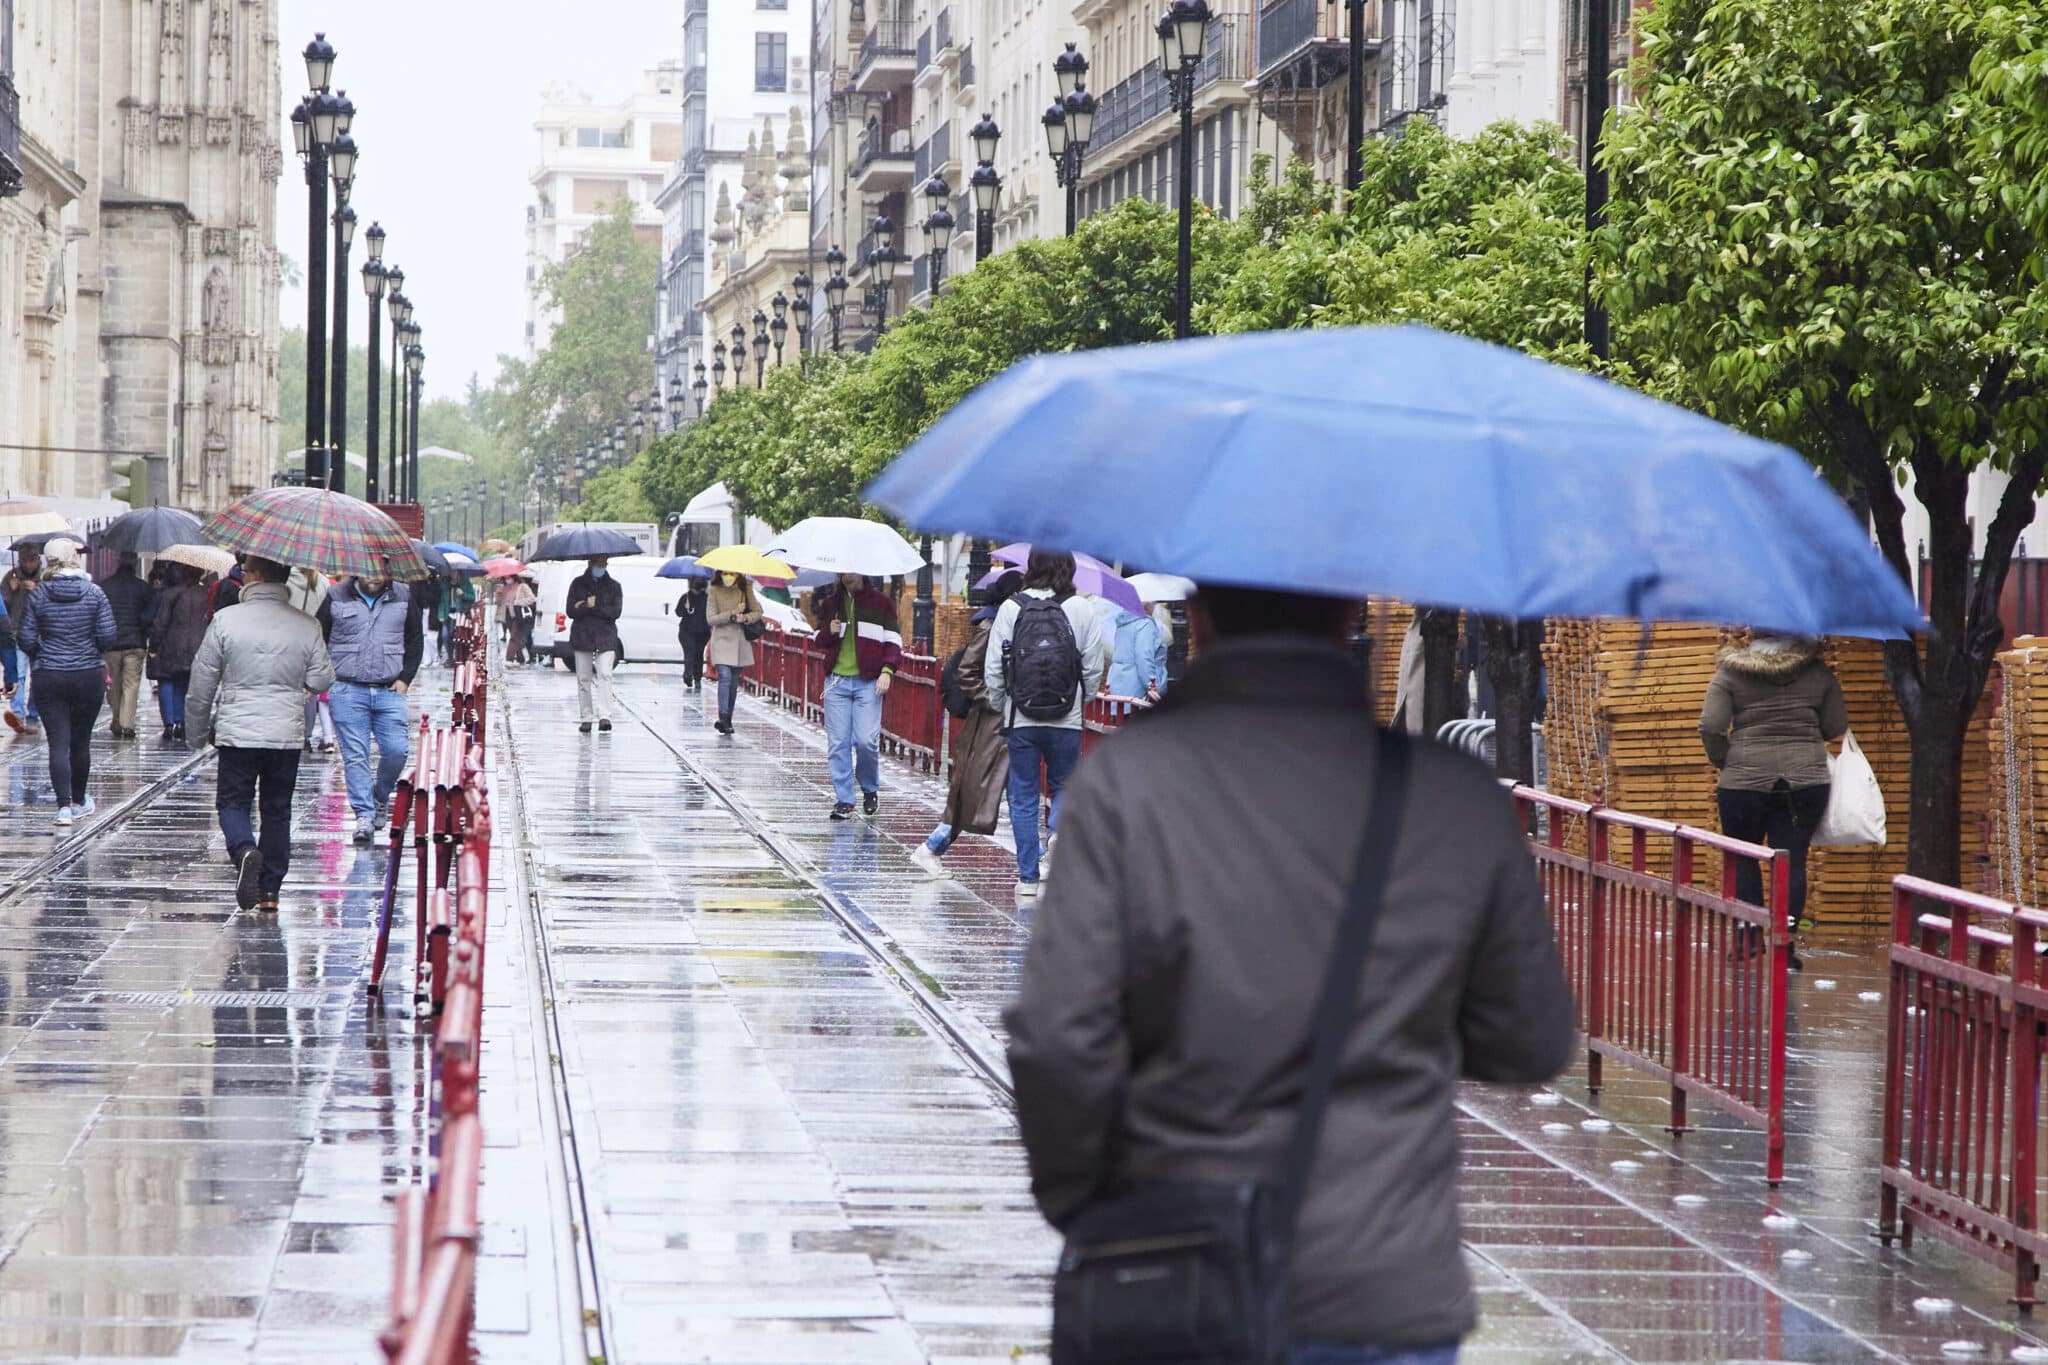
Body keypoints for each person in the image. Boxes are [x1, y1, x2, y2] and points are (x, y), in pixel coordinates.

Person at [1004, 584, 1577, 1364]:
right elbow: (1531, 1038)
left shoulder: (1129, 785)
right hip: (1381, 1283)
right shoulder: (1453, 798)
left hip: (1178, 1269)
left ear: (1200, 617)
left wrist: (1090, 1205)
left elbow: (1058, 1038)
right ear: (1348, 614)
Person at [186, 556, 337, 911]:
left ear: (255, 577)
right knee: (277, 809)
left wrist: (195, 732)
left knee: (232, 802)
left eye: (246, 572)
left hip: (238, 731)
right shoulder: (306, 624)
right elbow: (322, 679)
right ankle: (269, 891)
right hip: (285, 732)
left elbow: (202, 682)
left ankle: (244, 850)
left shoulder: (225, 620)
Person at [1699, 634, 1847, 970]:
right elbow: (1835, 725)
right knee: (1793, 861)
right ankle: (1786, 942)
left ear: (1753, 634)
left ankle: (1749, 937)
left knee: (1744, 856)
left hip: (1743, 783)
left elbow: (1710, 726)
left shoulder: (1731, 673)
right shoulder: (1818, 673)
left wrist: (1726, 760)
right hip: (1805, 781)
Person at [983, 550, 1108, 896]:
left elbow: (994, 668)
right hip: (1066, 718)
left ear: (1031, 568)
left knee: (1023, 795)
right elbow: (1093, 667)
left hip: (1021, 717)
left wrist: (1003, 705)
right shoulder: (1082, 609)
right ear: (1068, 568)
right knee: (1065, 786)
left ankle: (1027, 877)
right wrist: (1080, 703)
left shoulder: (1011, 607)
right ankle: (1056, 831)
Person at [911, 571, 1021, 877]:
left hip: (1003, 721)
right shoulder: (994, 626)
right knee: (982, 791)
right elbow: (968, 671)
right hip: (992, 723)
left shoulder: (1007, 623)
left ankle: (933, 846)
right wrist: (993, 699)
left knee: (998, 790)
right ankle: (932, 846)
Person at [318, 568, 423, 845]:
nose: (374, 578)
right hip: (347, 688)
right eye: (368, 572)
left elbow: (415, 639)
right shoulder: (335, 595)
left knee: (397, 751)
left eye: (380, 573)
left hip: (389, 689)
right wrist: (325, 676)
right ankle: (364, 815)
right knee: (355, 756)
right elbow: (319, 637)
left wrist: (405, 678)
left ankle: (379, 794)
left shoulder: (403, 595)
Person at [17, 541, 115, 825]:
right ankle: (78, 800)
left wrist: (44, 654)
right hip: (87, 675)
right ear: (74, 559)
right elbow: (108, 638)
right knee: (81, 740)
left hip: (50, 675)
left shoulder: (39, 595)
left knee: (57, 741)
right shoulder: (95, 593)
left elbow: (25, 637)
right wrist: (88, 651)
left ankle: (62, 808)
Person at [808, 572, 903, 820]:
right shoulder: (831, 604)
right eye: (841, 571)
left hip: (868, 682)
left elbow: (894, 642)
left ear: (861, 570)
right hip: (837, 682)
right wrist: (829, 630)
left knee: (866, 741)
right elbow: (818, 640)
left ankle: (870, 788)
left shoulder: (882, 604)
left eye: (849, 569)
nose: (844, 575)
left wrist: (887, 671)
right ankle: (845, 800)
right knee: (838, 743)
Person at [147, 563, 209, 741]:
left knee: (167, 680)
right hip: (198, 645)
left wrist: (154, 646)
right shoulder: (205, 594)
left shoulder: (171, 593)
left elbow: (161, 623)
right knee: (188, 684)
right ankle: (183, 721)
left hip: (172, 644)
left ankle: (169, 723)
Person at [98, 552, 155, 739]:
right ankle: (127, 723)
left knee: (114, 685)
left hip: (112, 644)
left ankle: (116, 719)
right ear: (135, 565)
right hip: (135, 643)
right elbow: (149, 616)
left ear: (118, 563)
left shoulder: (105, 587)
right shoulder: (144, 588)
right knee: (131, 685)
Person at [566, 555, 624, 734]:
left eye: (604, 564)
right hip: (582, 636)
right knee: (583, 678)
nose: (602, 567)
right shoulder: (577, 584)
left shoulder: (614, 586)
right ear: (590, 564)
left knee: (605, 674)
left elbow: (615, 612)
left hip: (605, 636)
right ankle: (586, 717)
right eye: (599, 564)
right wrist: (585, 606)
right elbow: (570, 610)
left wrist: (594, 607)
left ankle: (605, 716)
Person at [706, 570, 763, 736]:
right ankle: (722, 716)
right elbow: (711, 619)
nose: (728, 576)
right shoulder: (714, 590)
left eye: (732, 573)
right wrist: (732, 614)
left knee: (733, 682)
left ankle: (728, 718)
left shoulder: (746, 588)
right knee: (724, 677)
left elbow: (758, 612)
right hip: (721, 640)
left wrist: (745, 618)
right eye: (725, 573)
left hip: (740, 642)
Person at [1, 541, 42, 734]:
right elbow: (3, 603)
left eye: (31, 560)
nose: (28, 564)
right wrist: (12, 590)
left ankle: (33, 713)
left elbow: (50, 602)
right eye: (24, 560)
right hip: (17, 630)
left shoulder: (45, 577)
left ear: (37, 559)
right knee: (19, 673)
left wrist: (37, 589)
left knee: (38, 674)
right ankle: (17, 714)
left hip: (39, 633)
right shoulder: (11, 576)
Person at [1104, 601, 1169, 701]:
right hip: (1137, 693)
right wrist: (1153, 687)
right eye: (1154, 603)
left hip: (1117, 686)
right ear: (1147, 604)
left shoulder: (1124, 622)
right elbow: (1144, 658)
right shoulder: (1145, 624)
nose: (1154, 607)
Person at [676, 576, 712, 691]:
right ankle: (688, 675)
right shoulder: (686, 597)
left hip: (702, 632)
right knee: (689, 652)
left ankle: (697, 677)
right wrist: (684, 607)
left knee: (698, 654)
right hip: (687, 631)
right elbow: (678, 613)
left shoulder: (707, 599)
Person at [506, 575, 538, 665]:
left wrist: (519, 603)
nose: (506, 579)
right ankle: (522, 658)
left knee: (515, 638)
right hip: (510, 616)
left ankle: (510, 659)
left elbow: (532, 598)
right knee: (520, 638)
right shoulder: (507, 588)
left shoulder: (523, 586)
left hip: (520, 615)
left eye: (508, 577)